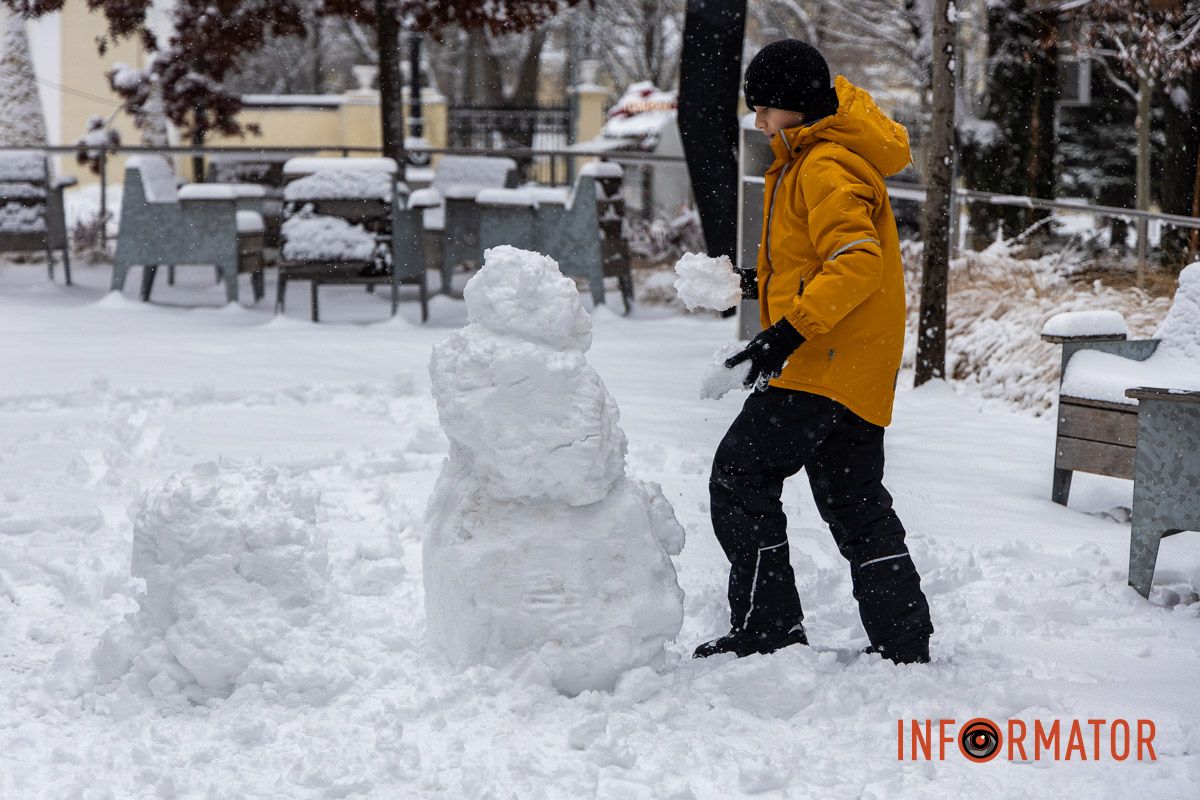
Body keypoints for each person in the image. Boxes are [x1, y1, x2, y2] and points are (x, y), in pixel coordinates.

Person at [693, 40, 934, 665]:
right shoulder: (820, 160)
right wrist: (750, 285)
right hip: (853, 366)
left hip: (819, 364)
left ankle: (768, 625)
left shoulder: (824, 165)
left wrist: (783, 335)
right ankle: (904, 640)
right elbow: (816, 264)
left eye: (764, 109)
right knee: (854, 502)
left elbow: (855, 263)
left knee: (739, 477)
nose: (758, 122)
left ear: (793, 106)